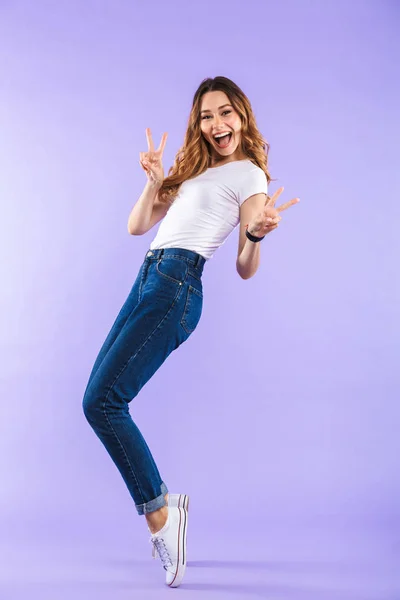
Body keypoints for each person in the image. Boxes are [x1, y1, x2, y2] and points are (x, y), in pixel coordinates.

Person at [82, 76, 299, 588]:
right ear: (197, 125)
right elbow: (138, 225)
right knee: (97, 399)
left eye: (225, 113)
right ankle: (164, 503)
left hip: (176, 286)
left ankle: (160, 516)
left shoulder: (249, 175)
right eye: (206, 116)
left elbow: (245, 267)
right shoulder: (197, 171)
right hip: (148, 278)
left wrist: (254, 234)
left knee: (103, 402)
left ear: (241, 117)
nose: (216, 124)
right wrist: (155, 179)